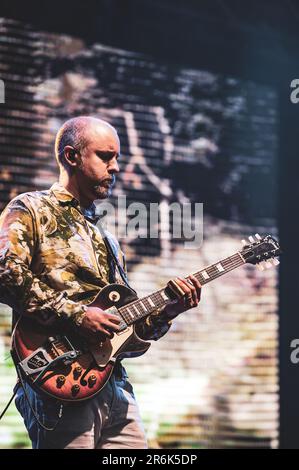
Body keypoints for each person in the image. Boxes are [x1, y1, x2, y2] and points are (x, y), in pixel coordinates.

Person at [0, 116, 202, 449]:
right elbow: (7, 274)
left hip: (113, 385)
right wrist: (78, 315)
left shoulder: (106, 238)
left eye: (117, 157)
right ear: (71, 156)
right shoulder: (31, 208)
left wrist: (169, 310)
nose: (116, 167)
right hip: (59, 379)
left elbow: (126, 327)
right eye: (106, 156)